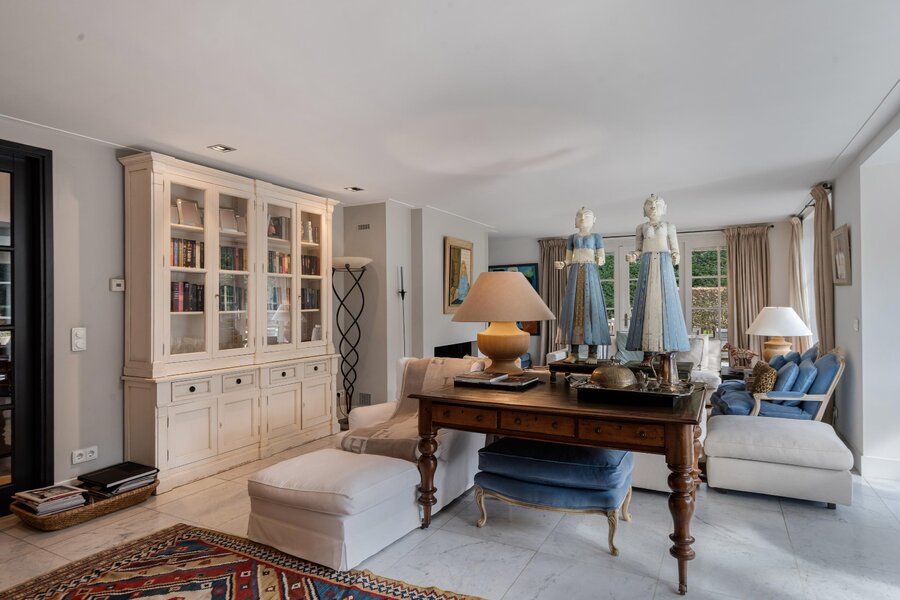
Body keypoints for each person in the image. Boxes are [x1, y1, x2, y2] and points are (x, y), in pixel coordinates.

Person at [625, 194, 689, 354]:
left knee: (666, 300)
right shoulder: (640, 227)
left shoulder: (669, 226)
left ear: (664, 208)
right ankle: (648, 352)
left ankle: (666, 351)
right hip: (647, 263)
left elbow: (675, 248)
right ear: (644, 209)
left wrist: (676, 256)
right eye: (649, 204)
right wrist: (633, 256)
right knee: (645, 300)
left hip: (663, 262)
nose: (653, 207)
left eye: (657, 204)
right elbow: (639, 249)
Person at [554, 207, 611, 364]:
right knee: (574, 312)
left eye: (587, 216)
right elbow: (568, 259)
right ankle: (574, 353)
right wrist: (562, 263)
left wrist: (600, 260)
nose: (583, 218)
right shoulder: (572, 238)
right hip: (575, 274)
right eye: (579, 216)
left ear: (594, 220)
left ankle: (593, 354)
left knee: (592, 310)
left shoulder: (597, 237)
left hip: (590, 273)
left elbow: (602, 257)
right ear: (575, 220)